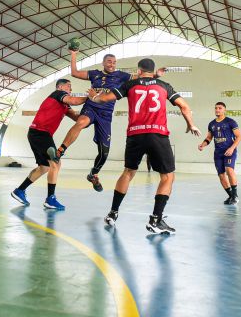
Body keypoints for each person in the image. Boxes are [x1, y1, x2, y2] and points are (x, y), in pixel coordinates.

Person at [88, 58, 200, 234]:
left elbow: (104, 99)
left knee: (128, 172)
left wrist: (93, 95)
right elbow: (184, 106)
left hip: (135, 135)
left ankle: (113, 213)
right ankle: (156, 220)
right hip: (158, 134)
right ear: (152, 71)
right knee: (167, 177)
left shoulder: (130, 85)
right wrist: (191, 124)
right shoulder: (164, 86)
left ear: (139, 71)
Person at [55, 49, 165, 193]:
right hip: (91, 107)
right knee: (81, 122)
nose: (112, 64)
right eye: (109, 61)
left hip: (106, 114)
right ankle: (60, 151)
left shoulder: (121, 76)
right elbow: (75, 73)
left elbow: (140, 77)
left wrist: (156, 75)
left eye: (114, 62)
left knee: (104, 153)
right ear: (103, 63)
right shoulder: (95, 74)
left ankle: (93, 174)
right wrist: (74, 54)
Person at [11, 79, 87, 210]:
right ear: (60, 86)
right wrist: (90, 96)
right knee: (55, 163)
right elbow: (75, 100)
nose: (71, 89)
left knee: (44, 167)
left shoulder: (64, 105)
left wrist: (90, 110)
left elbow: (76, 118)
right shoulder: (58, 94)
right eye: (69, 86)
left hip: (38, 134)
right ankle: (50, 199)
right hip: (40, 133)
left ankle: (19, 190)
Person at [198, 102, 241, 204]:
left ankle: (235, 195)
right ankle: (231, 196)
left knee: (229, 170)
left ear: (224, 110)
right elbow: (209, 138)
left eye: (220, 108)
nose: (217, 110)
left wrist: (232, 148)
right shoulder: (211, 124)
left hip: (229, 150)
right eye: (216, 108)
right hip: (218, 153)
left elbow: (239, 137)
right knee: (221, 175)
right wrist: (202, 145)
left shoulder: (231, 122)